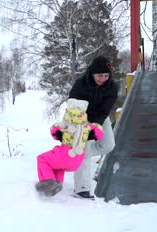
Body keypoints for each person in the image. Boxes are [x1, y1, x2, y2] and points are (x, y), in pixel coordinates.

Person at [68, 56, 118, 199]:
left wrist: (95, 127)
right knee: (84, 149)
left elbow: (104, 110)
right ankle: (81, 189)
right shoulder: (80, 84)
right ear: (92, 73)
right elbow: (72, 105)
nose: (103, 78)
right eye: (99, 75)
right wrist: (83, 127)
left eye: (106, 75)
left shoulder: (111, 87)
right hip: (79, 119)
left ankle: (84, 154)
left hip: (101, 118)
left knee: (109, 145)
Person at [35, 98, 104, 197]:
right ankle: (57, 183)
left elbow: (53, 131)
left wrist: (61, 131)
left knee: (42, 158)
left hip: (65, 154)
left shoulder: (63, 125)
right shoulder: (88, 127)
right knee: (58, 165)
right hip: (78, 160)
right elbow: (99, 133)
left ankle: (48, 181)